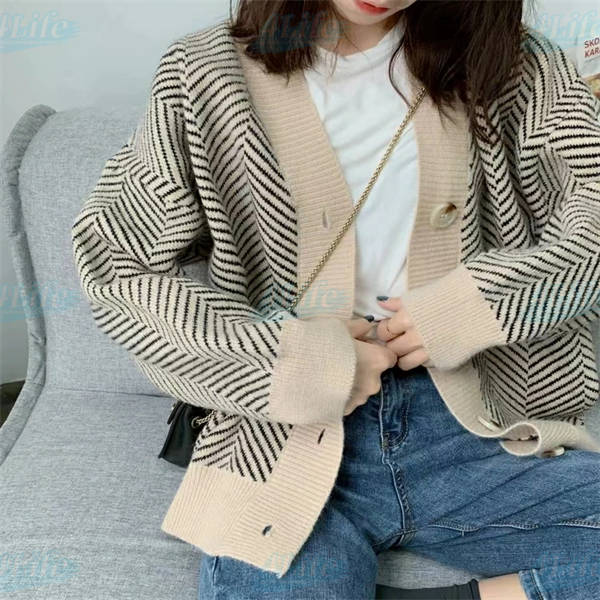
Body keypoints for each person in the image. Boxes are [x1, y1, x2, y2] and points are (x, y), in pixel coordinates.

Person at [71, 0, 600, 598]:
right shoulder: (204, 73)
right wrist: (289, 362)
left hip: (478, 425)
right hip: (284, 437)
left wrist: (479, 304)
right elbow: (115, 262)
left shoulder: (511, 64)